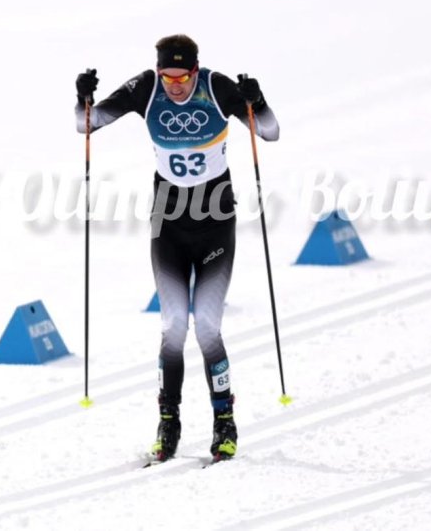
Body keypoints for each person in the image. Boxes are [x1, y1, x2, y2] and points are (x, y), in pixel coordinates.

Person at [74, 34, 280, 462]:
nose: (174, 85)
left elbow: (270, 132)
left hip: (215, 224)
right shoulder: (145, 88)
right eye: (168, 75)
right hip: (167, 226)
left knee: (205, 325)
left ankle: (225, 421)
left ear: (195, 70)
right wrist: (83, 98)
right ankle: (169, 424)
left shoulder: (217, 86)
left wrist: (256, 103)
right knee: (172, 327)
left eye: (182, 76)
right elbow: (86, 124)